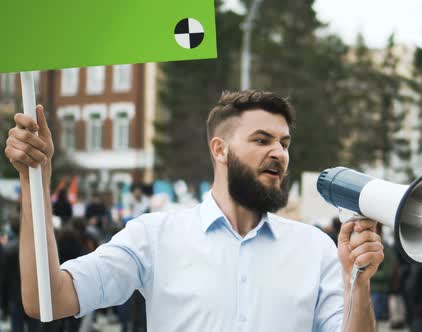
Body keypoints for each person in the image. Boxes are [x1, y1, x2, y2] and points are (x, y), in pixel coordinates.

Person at [4, 90, 385, 331]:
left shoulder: (317, 249)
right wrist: (33, 182)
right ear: (220, 150)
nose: (279, 153)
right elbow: (46, 300)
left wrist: (359, 283)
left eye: (285, 143)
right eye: (262, 139)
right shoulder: (153, 236)